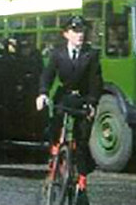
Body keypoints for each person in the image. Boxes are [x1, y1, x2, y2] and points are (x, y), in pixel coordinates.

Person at [35, 16, 103, 205]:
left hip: (82, 98)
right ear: (66, 34)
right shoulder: (58, 54)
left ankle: (81, 182)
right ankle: (55, 154)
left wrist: (92, 103)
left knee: (82, 140)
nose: (80, 35)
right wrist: (43, 94)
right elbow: (47, 75)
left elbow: (95, 81)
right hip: (63, 97)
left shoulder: (91, 54)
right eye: (75, 31)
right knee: (53, 125)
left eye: (82, 31)